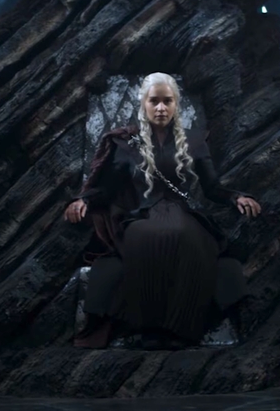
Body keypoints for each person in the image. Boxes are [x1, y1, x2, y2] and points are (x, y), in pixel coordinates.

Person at [64, 72, 262, 350]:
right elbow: (106, 189)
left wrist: (237, 197)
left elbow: (212, 187)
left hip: (182, 214)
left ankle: (181, 329)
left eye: (167, 101)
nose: (160, 108)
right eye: (154, 101)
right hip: (140, 216)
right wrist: (83, 200)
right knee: (148, 237)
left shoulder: (194, 141)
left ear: (175, 104)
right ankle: (150, 329)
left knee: (184, 236)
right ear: (143, 104)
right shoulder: (126, 144)